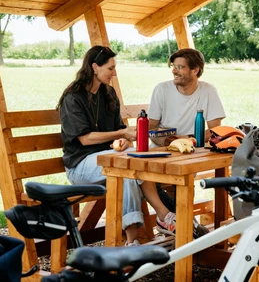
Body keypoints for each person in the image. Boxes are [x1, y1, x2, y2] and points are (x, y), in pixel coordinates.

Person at [58, 45, 178, 246]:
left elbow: (118, 132)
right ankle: (163, 216)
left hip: (110, 160)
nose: (114, 73)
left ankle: (133, 242)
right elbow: (85, 139)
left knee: (130, 169)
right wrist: (121, 133)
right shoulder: (73, 97)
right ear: (94, 67)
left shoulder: (108, 93)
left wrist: (122, 140)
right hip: (80, 166)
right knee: (126, 168)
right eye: (110, 68)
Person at [148, 48, 227, 238]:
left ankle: (182, 223)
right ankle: (182, 221)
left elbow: (215, 129)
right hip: (163, 149)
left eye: (181, 67)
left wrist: (189, 140)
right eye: (174, 67)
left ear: (195, 70)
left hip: (193, 151)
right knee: (147, 178)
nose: (175, 71)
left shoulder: (208, 90)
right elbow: (150, 127)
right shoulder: (162, 89)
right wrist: (169, 139)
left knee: (183, 178)